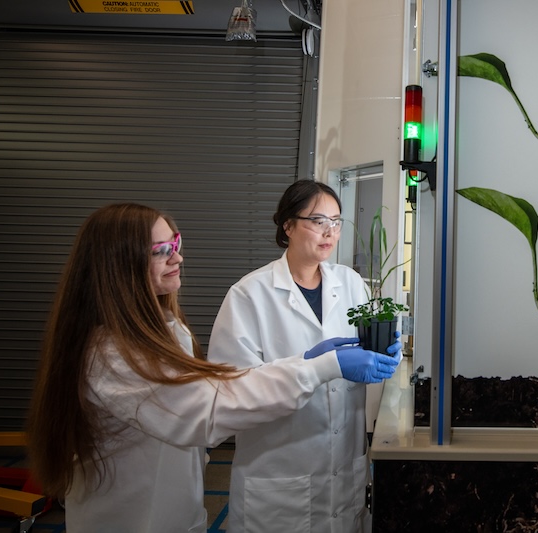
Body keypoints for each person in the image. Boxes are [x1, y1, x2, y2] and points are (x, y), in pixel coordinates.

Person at [25, 202, 400, 533]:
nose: (178, 258)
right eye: (161, 250)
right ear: (117, 265)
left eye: (177, 244)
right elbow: (209, 408)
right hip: (132, 517)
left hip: (180, 508)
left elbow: (218, 387)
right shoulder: (110, 354)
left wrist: (307, 361)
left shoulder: (168, 328)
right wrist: (321, 367)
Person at [208, 179, 402, 532]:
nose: (330, 231)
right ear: (288, 225)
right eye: (317, 221)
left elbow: (366, 352)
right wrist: (312, 367)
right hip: (279, 481)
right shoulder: (249, 295)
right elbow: (229, 396)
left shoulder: (351, 284)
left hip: (345, 474)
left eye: (337, 221)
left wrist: (387, 351)